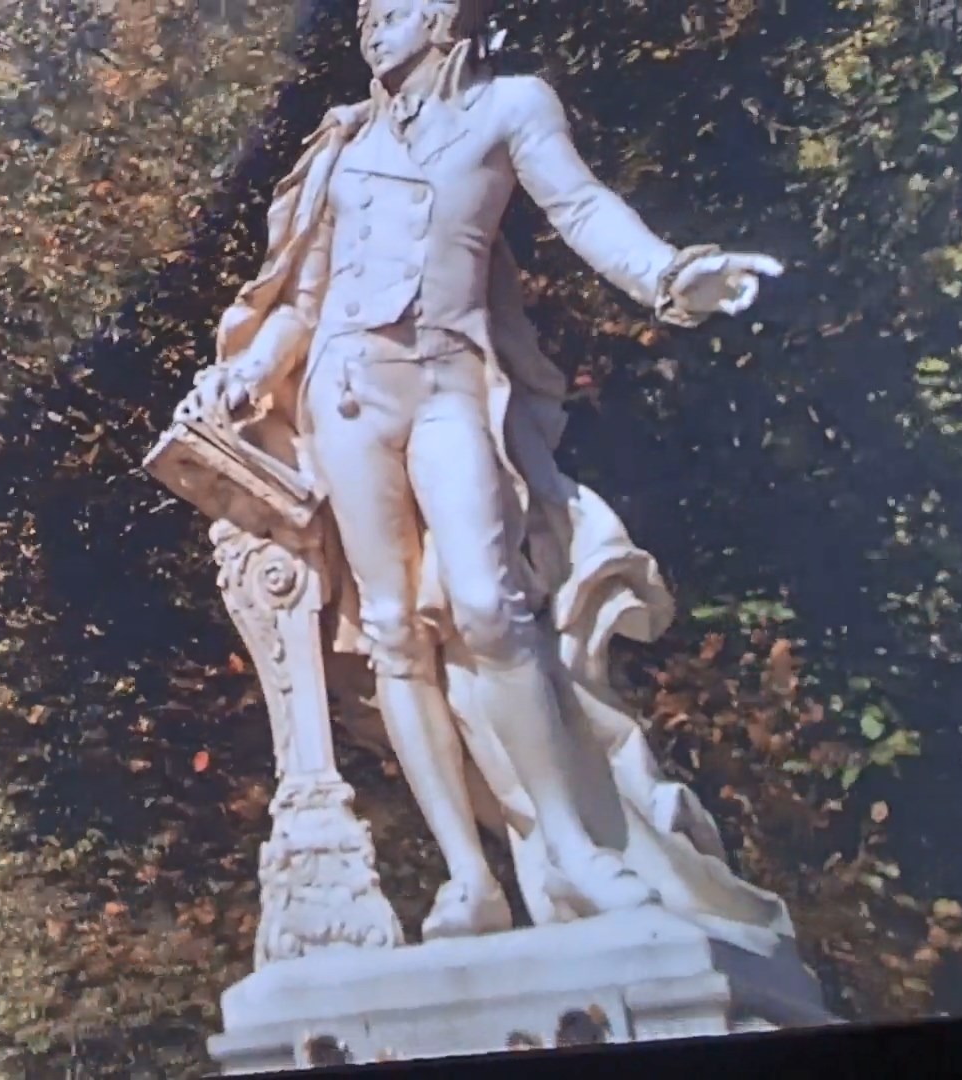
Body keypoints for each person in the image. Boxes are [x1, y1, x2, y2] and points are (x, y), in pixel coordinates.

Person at [180, 0, 794, 945]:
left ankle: (574, 851)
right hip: (345, 394)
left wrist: (671, 276)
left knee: (488, 607)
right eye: (364, 14)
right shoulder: (345, 140)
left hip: (447, 384)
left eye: (391, 10)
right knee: (392, 631)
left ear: (441, 14)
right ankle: (470, 879)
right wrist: (250, 370)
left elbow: (580, 206)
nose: (370, 26)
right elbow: (303, 296)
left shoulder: (510, 106)